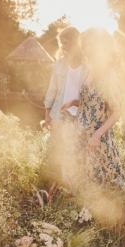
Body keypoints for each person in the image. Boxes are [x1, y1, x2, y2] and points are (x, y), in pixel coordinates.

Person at [62, 28, 125, 189]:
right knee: (80, 183)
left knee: (103, 186)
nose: (84, 49)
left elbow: (117, 112)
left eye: (87, 46)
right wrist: (73, 102)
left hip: (97, 140)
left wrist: (97, 136)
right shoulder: (88, 71)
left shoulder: (108, 76)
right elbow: (91, 103)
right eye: (83, 45)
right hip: (81, 134)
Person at [43, 26, 86, 194]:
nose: (64, 48)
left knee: (74, 152)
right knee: (57, 151)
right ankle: (57, 188)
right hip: (58, 114)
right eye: (62, 44)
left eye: (67, 44)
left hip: (79, 116)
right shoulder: (59, 65)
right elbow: (52, 90)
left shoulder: (86, 66)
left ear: (77, 43)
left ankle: (72, 189)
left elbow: (91, 93)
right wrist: (47, 114)